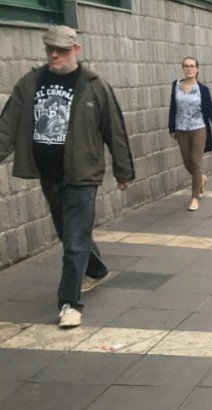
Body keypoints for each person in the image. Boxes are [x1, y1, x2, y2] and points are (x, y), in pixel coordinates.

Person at [0, 25, 135, 328]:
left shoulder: (95, 85)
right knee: (70, 235)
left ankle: (69, 304)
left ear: (76, 50)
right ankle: (97, 269)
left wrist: (124, 170)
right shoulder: (31, 82)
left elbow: (115, 131)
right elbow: (6, 125)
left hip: (83, 174)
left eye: (61, 49)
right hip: (49, 175)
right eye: (50, 48)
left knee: (74, 243)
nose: (54, 54)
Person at [168, 56, 212, 211]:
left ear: (197, 69)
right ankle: (201, 178)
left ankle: (194, 197)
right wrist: (171, 128)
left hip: (199, 129)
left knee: (195, 160)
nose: (189, 68)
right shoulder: (176, 86)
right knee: (188, 163)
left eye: (192, 66)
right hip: (181, 130)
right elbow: (173, 108)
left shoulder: (202, 89)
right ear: (183, 68)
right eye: (186, 66)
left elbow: (211, 112)